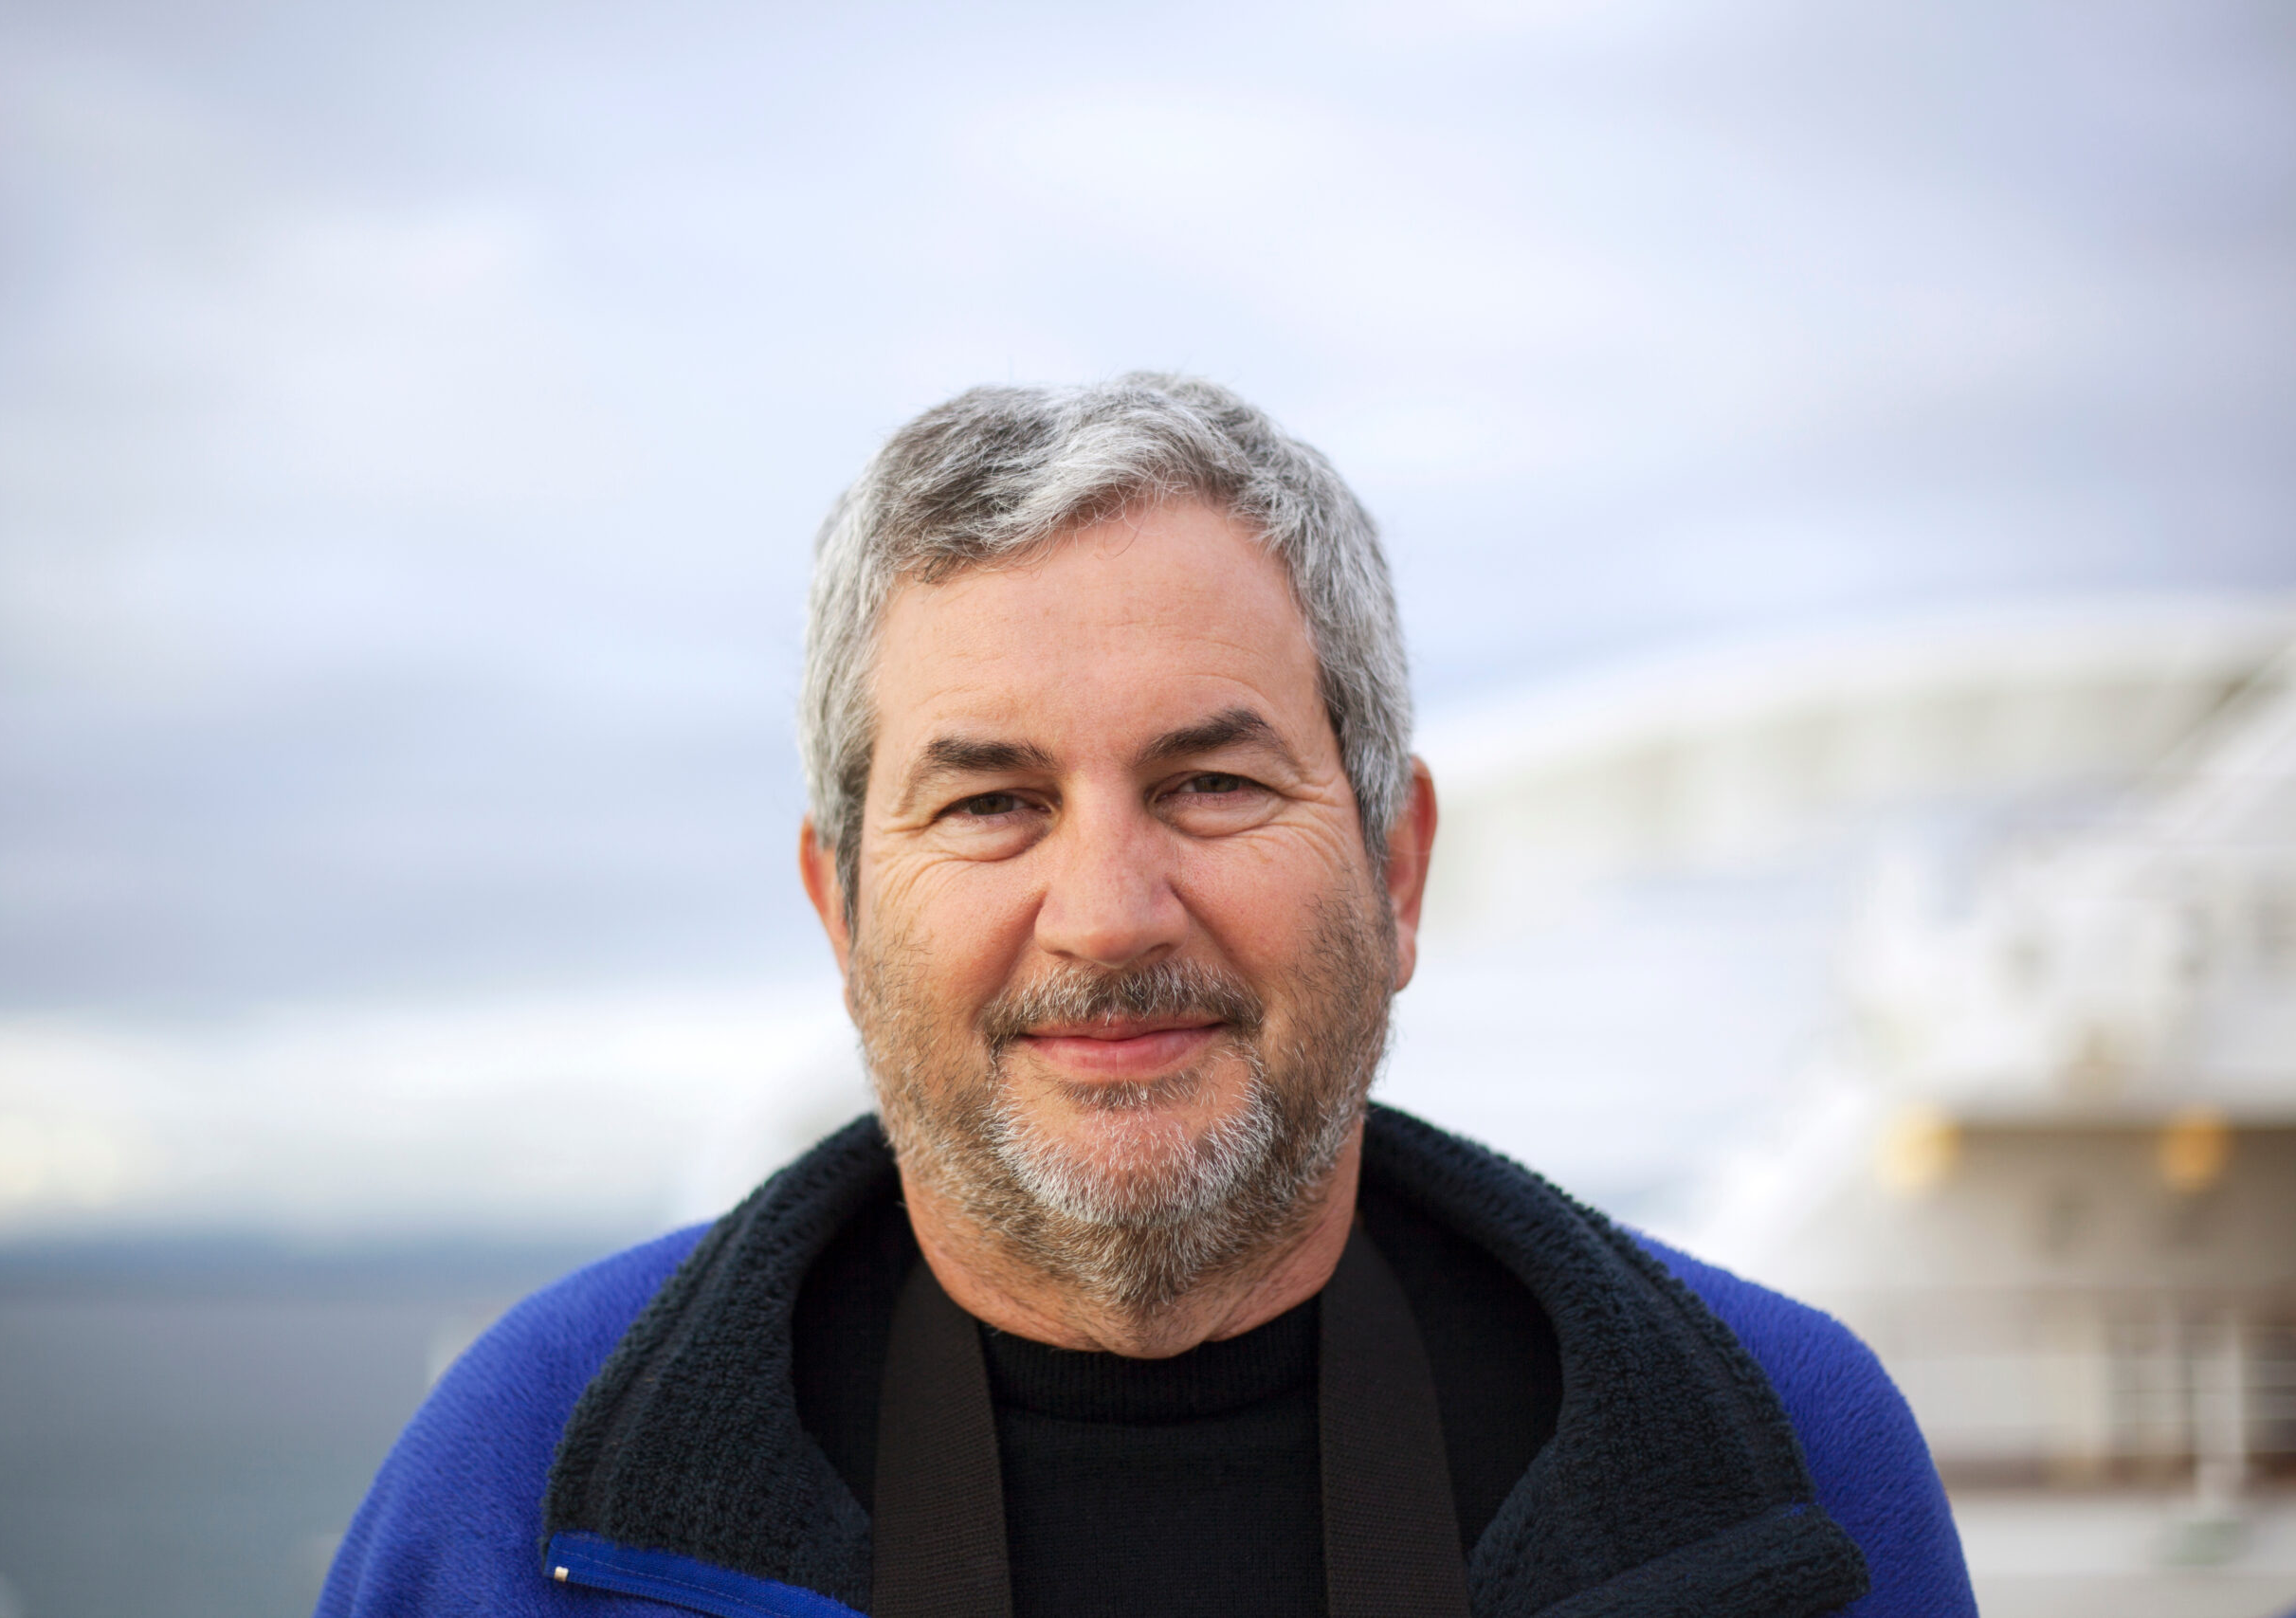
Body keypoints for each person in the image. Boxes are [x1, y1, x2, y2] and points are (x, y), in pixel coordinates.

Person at [317, 375, 1975, 1618]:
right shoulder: (522, 1483)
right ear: (842, 914)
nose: (1108, 916)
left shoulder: (1788, 1468)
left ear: (1396, 869)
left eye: (1208, 785)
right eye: (990, 804)